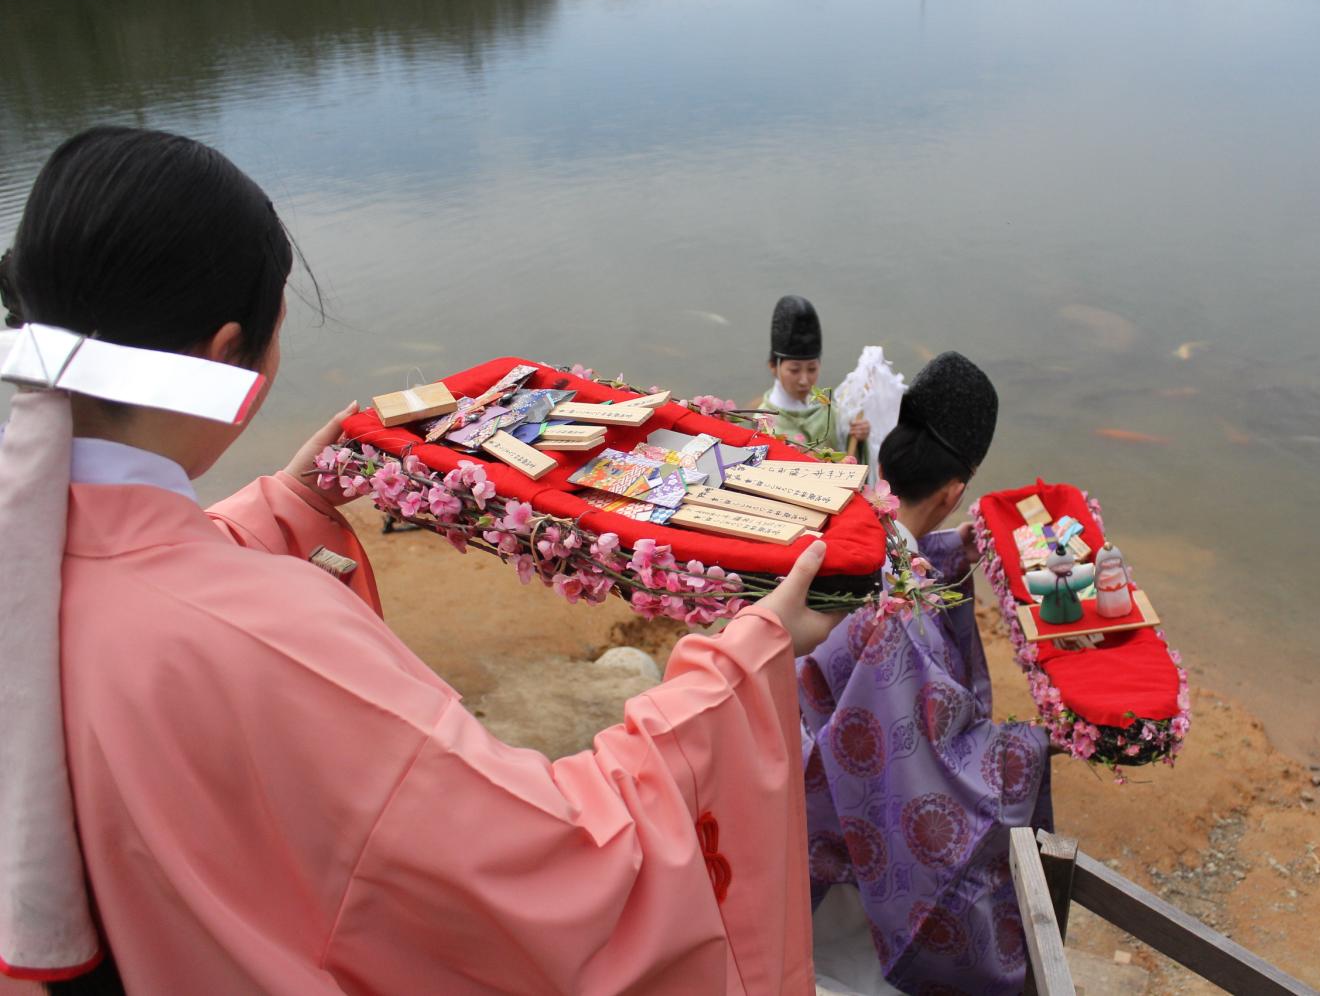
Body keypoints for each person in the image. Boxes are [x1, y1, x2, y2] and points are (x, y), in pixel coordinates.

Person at [0, 127, 839, 994]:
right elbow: (552, 861)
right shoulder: (274, 637)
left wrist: (279, 512)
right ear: (224, 356)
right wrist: (736, 669)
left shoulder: (27, 560)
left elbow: (136, 579)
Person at [796, 352, 1054, 995]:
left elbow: (896, 565)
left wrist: (944, 550)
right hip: (845, 828)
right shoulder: (902, 622)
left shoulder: (838, 530)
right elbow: (938, 764)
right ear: (954, 492)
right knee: (843, 966)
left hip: (789, 782)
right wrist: (1034, 747)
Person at [760, 295, 870, 458]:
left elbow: (847, 454)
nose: (804, 380)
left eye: (812, 369)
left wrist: (859, 437)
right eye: (794, 370)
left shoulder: (829, 410)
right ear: (773, 367)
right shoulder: (763, 421)